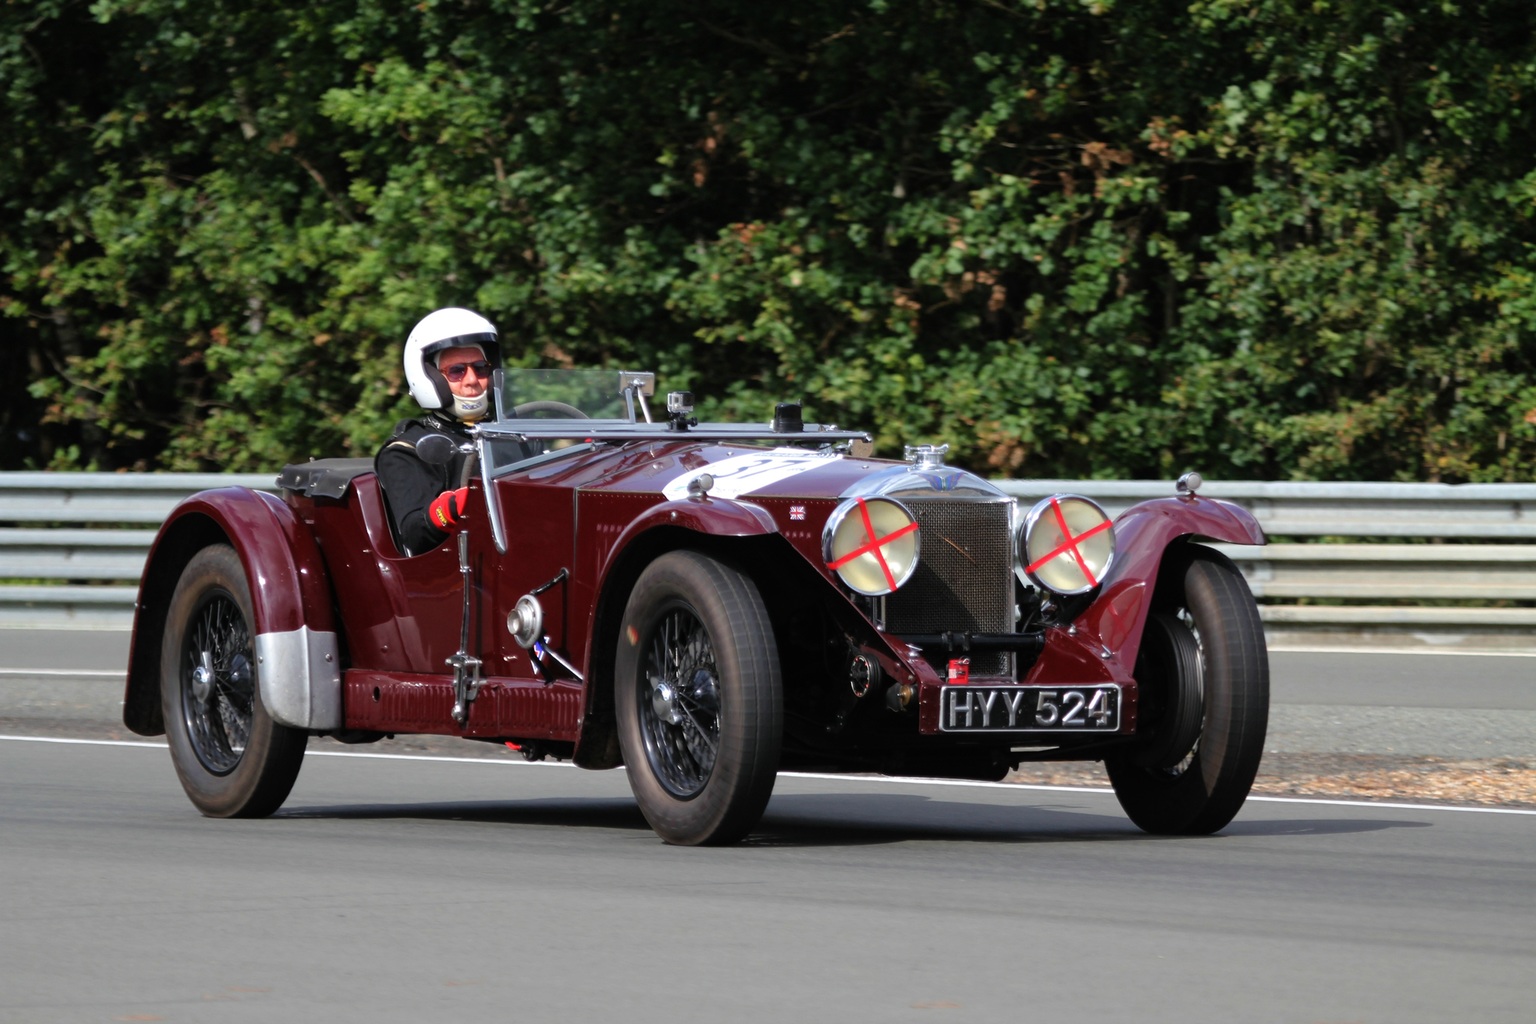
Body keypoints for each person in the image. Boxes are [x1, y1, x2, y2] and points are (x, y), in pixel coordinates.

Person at [375, 307, 500, 555]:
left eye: (480, 367)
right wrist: (450, 508)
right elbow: (413, 534)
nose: (472, 379)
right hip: (459, 574)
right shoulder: (407, 450)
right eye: (457, 371)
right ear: (430, 378)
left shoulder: (512, 435)